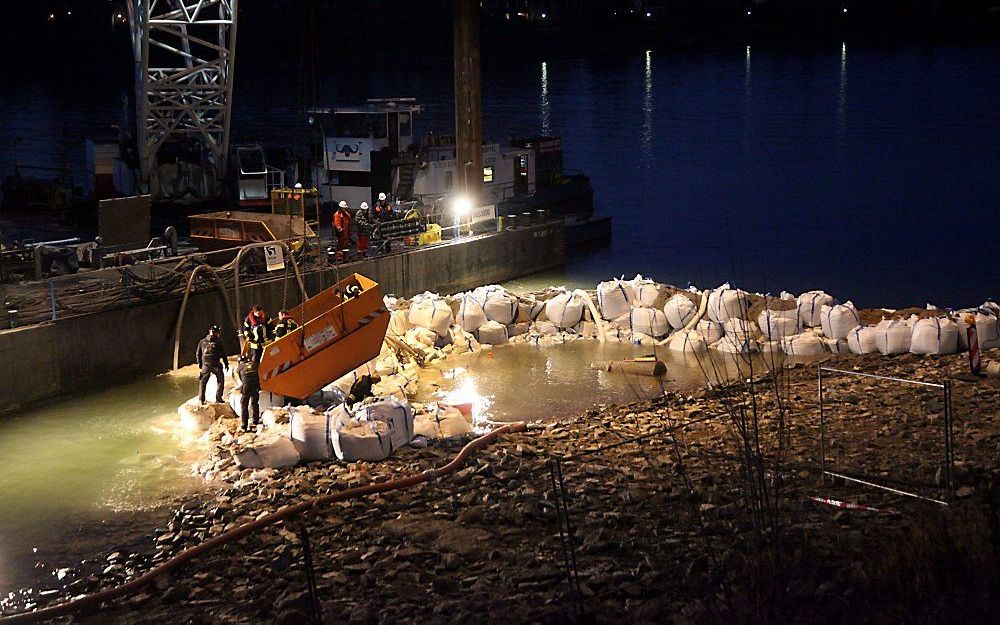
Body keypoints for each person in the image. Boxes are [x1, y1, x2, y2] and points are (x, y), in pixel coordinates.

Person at [196, 325, 229, 404]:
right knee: (220, 381)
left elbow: (198, 354)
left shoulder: (202, 341)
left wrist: (200, 365)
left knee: (203, 382)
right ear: (216, 333)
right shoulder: (218, 342)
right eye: (218, 333)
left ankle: (201, 399)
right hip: (216, 365)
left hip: (206, 365)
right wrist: (226, 364)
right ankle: (218, 398)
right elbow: (224, 354)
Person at [236, 355, 261, 432]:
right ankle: (256, 420)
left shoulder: (240, 367)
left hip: (246, 386)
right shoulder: (254, 363)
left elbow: (241, 379)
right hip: (256, 385)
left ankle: (244, 425)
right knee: (255, 403)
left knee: (244, 405)